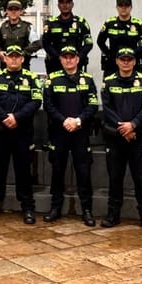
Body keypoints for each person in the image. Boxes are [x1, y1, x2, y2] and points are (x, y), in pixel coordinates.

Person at [0, 45, 42, 224]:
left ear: (23, 59)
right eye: (11, 56)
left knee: (24, 171)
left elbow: (36, 101)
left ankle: (28, 207)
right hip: (0, 131)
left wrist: (17, 117)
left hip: (22, 131)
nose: (14, 59)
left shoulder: (31, 78)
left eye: (17, 56)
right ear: (5, 59)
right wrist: (3, 117)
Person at [100, 48, 142, 231]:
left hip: (138, 137)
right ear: (117, 61)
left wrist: (133, 125)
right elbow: (107, 110)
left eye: (129, 59)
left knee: (141, 179)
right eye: (122, 59)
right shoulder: (108, 82)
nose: (126, 62)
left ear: (134, 62)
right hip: (116, 138)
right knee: (115, 178)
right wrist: (123, 127)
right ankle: (113, 215)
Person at [42, 46, 99, 226]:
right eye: (65, 57)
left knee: (83, 172)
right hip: (59, 132)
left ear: (77, 59)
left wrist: (78, 121)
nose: (68, 60)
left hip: (80, 133)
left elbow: (92, 105)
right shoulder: (52, 79)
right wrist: (64, 120)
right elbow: (48, 105)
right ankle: (55, 208)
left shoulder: (87, 80)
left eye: (72, 57)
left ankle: (87, 210)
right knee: (57, 171)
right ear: (60, 60)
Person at [96, 0, 142, 77]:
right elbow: (100, 41)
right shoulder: (110, 23)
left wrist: (133, 55)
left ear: (131, 7)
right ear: (116, 7)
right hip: (114, 63)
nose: (123, 8)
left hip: (132, 62)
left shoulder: (138, 24)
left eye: (126, 5)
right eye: (120, 5)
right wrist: (110, 55)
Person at [41, 0, 93, 74]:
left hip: (75, 64)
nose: (65, 5)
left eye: (67, 3)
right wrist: (59, 57)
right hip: (55, 64)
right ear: (58, 5)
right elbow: (45, 43)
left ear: (72, 4)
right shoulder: (51, 23)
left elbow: (89, 43)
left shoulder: (81, 22)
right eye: (62, 3)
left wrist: (79, 57)